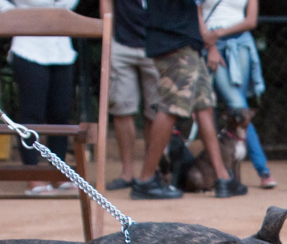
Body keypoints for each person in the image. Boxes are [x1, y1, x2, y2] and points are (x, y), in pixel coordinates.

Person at [131, 0, 246, 198]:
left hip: (186, 40)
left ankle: (222, 177)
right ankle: (145, 181)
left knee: (204, 104)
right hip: (174, 40)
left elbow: (196, 8)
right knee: (171, 106)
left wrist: (208, 44)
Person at [0, 0, 79, 195]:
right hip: (28, 46)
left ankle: (58, 172)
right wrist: (9, 11)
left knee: (60, 113)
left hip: (61, 44)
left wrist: (63, 8)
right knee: (32, 112)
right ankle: (32, 175)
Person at [203, 0, 277, 189]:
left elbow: (251, 21)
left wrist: (220, 32)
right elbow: (196, 13)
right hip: (213, 45)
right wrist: (211, 44)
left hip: (241, 43)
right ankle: (261, 169)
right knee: (237, 105)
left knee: (239, 107)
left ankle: (234, 172)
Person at [106, 0, 161, 191]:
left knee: (157, 112)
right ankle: (127, 173)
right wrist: (108, 37)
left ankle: (150, 171)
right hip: (121, 42)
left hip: (157, 43)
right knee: (121, 107)